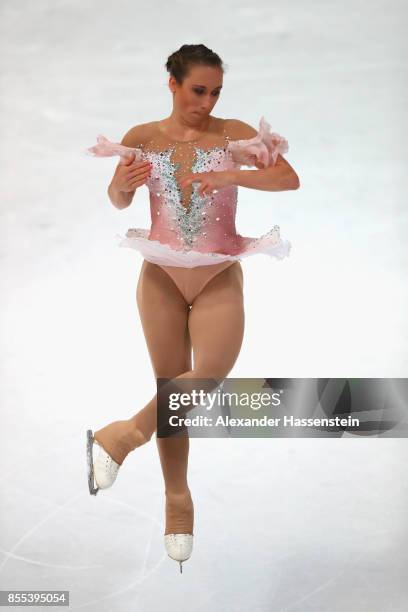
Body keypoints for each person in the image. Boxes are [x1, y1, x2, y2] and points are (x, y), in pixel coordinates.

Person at [85, 43, 300, 573]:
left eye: (216, 92)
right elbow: (119, 201)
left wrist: (230, 175)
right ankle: (177, 501)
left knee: (208, 374)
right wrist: (118, 184)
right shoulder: (143, 138)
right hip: (160, 274)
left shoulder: (232, 134)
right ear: (173, 84)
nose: (207, 102)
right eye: (198, 90)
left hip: (216, 273)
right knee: (171, 390)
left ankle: (122, 435)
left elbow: (286, 177)